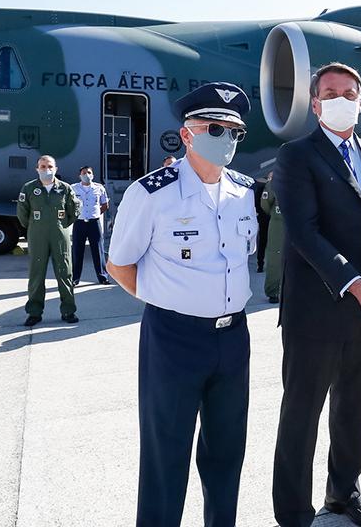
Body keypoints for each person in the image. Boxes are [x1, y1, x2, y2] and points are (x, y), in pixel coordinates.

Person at [105, 82, 259, 527]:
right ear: (188, 134)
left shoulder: (244, 191)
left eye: (235, 132)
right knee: (165, 454)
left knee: (227, 452)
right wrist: (169, 301)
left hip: (233, 337)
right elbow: (120, 265)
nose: (227, 139)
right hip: (173, 337)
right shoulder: (152, 193)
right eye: (216, 128)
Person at [272, 63, 361, 527]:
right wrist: (355, 284)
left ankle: (344, 493)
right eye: (330, 92)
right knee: (301, 417)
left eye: (349, 92)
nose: (340, 99)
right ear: (316, 101)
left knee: (351, 410)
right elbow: (303, 232)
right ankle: (293, 513)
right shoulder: (297, 155)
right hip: (316, 310)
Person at [17, 155, 80, 325]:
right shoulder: (29, 188)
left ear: (56, 169)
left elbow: (74, 210)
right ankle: (34, 313)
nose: (46, 169)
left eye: (50, 166)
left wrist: (62, 225)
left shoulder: (65, 188)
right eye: (43, 166)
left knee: (64, 272)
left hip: (60, 235)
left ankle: (68, 311)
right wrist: (33, 227)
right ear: (37, 169)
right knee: (36, 274)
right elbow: (22, 213)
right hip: (37, 235)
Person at [71, 165, 111, 286]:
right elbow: (68, 204)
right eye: (84, 173)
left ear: (92, 175)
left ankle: (103, 277)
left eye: (89, 172)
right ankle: (75, 278)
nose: (86, 175)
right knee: (77, 251)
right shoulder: (74, 188)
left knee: (98, 251)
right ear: (80, 176)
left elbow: (105, 205)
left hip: (94, 223)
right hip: (79, 223)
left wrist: (96, 213)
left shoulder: (99, 188)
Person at [259, 171, 283, 303]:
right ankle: (273, 291)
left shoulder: (303, 175)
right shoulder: (275, 182)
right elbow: (265, 203)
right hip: (279, 224)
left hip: (299, 223)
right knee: (275, 256)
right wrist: (276, 215)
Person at [252, 177, 270, 273]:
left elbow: (256, 204)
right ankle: (261, 264)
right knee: (265, 241)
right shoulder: (267, 187)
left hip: (263, 217)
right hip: (267, 218)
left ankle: (260, 264)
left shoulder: (262, 187)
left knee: (263, 240)